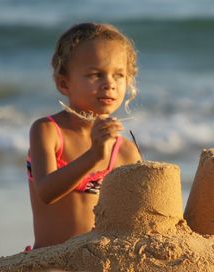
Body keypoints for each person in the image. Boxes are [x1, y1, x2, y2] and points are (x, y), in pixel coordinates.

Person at [26, 22, 142, 249]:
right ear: (63, 83)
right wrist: (94, 156)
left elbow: (135, 217)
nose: (109, 84)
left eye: (119, 75)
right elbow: (46, 192)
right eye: (95, 74)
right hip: (50, 262)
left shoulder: (126, 151)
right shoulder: (48, 131)